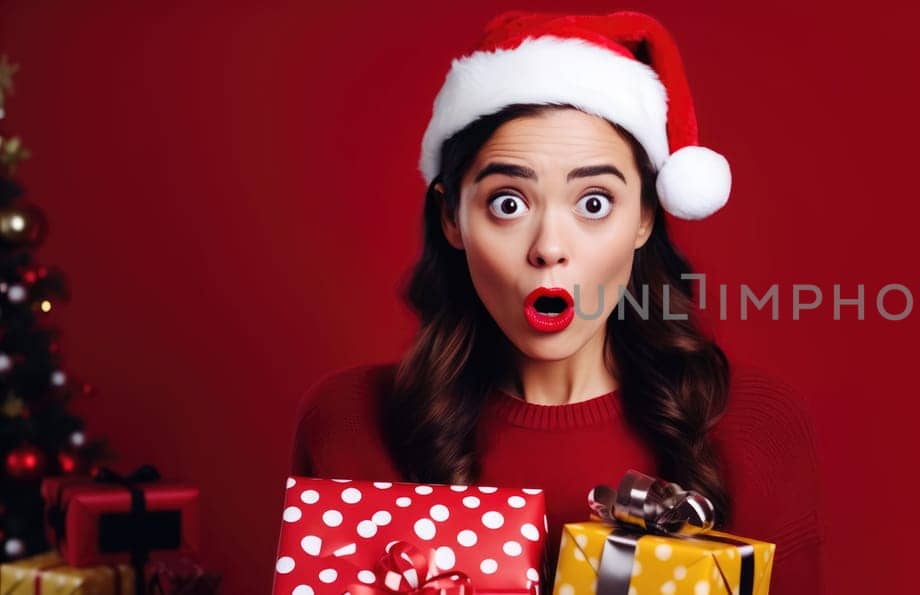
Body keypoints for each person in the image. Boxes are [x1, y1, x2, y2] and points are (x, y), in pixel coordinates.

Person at [287, 11, 823, 593]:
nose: (548, 249)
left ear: (645, 217)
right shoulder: (349, 422)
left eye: (593, 203)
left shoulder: (753, 425)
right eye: (508, 204)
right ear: (451, 217)